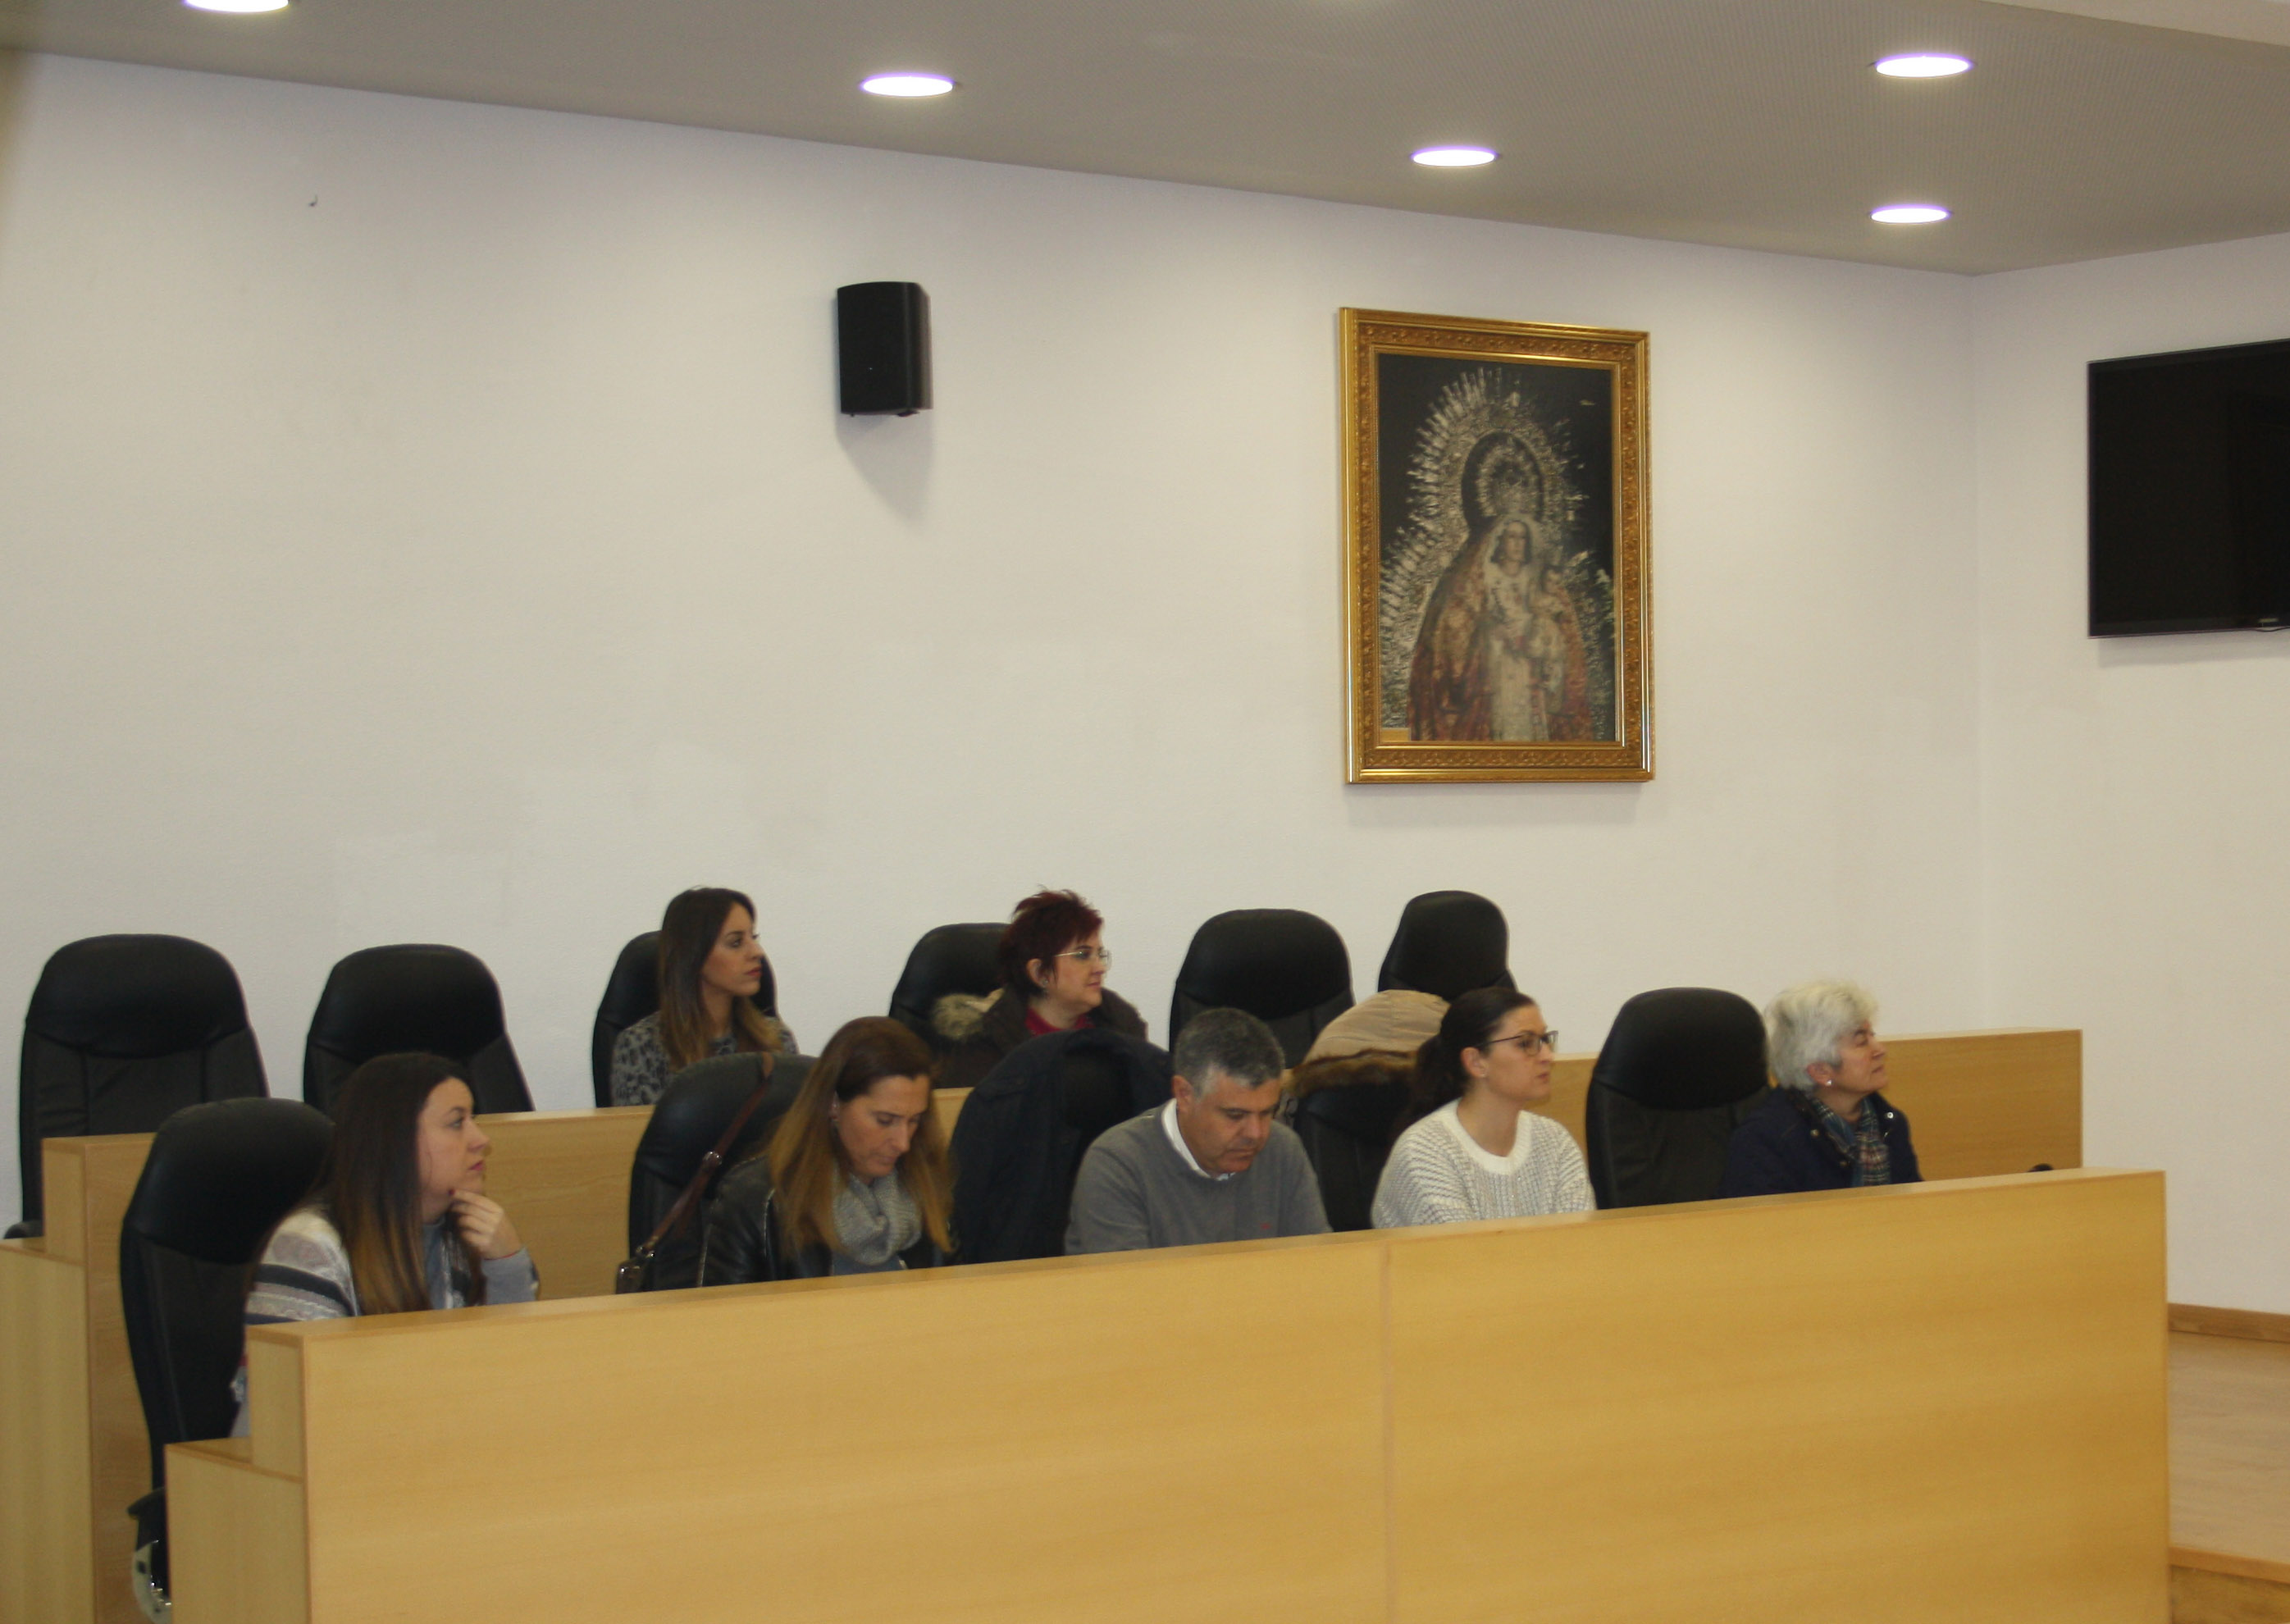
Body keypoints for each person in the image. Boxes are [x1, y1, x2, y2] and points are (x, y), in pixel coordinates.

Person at [234, 1053, 536, 1430]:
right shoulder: (310, 1248)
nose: (481, 1140)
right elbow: (279, 1417)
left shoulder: (466, 1236)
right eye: (457, 1123)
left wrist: (507, 1265)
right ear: (395, 1140)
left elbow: (511, 1378)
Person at [700, 1017, 953, 1283]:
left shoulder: (926, 1181)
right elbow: (725, 1308)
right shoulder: (758, 1200)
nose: (903, 1143)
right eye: (885, 1120)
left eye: (914, 1121)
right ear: (833, 1104)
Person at [1065, 1007, 1328, 1254]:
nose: (1256, 1134)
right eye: (1235, 1115)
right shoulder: (1117, 1165)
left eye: (1268, 1112)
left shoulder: (1283, 1149)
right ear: (1184, 1095)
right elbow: (1129, 1285)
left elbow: (1318, 1267)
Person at [1371, 986, 1592, 1228]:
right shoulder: (1424, 1153)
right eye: (1525, 1043)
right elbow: (1462, 1250)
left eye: (1544, 1040)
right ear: (1476, 1062)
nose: (1547, 1056)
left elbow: (1581, 1240)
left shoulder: (1555, 1141)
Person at [1718, 979, 1922, 1197]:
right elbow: (1763, 1217)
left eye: (1873, 1036)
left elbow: (1915, 1206)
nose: (1880, 1050)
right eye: (1862, 1042)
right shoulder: (1767, 1138)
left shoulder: (1889, 1123)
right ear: (1820, 1071)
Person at [932, 888, 1147, 1092]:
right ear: (1039, 973)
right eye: (1083, 955)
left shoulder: (1122, 1028)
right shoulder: (984, 1045)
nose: (1100, 968)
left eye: (1100, 955)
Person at [611, 887, 794, 1106]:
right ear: (694, 956)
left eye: (753, 938)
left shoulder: (776, 1039)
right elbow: (643, 1129)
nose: (757, 952)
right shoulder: (641, 1046)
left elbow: (797, 1124)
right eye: (736, 942)